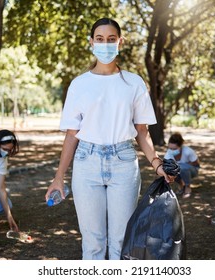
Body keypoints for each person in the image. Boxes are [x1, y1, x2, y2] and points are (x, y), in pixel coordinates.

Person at [44, 18, 174, 260]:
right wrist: (59, 178)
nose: (105, 44)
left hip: (124, 162)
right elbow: (72, 135)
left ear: (120, 42)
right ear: (91, 42)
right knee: (92, 242)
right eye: (100, 39)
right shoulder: (79, 84)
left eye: (111, 39)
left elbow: (142, 131)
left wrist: (157, 164)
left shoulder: (134, 83)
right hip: (86, 162)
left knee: (121, 241)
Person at [164, 132, 200, 198]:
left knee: (182, 167)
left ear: (180, 146)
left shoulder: (188, 151)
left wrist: (184, 165)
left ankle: (187, 187)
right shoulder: (168, 154)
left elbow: (196, 163)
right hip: (179, 170)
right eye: (170, 148)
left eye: (174, 149)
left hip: (193, 170)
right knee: (170, 169)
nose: (172, 151)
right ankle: (181, 185)